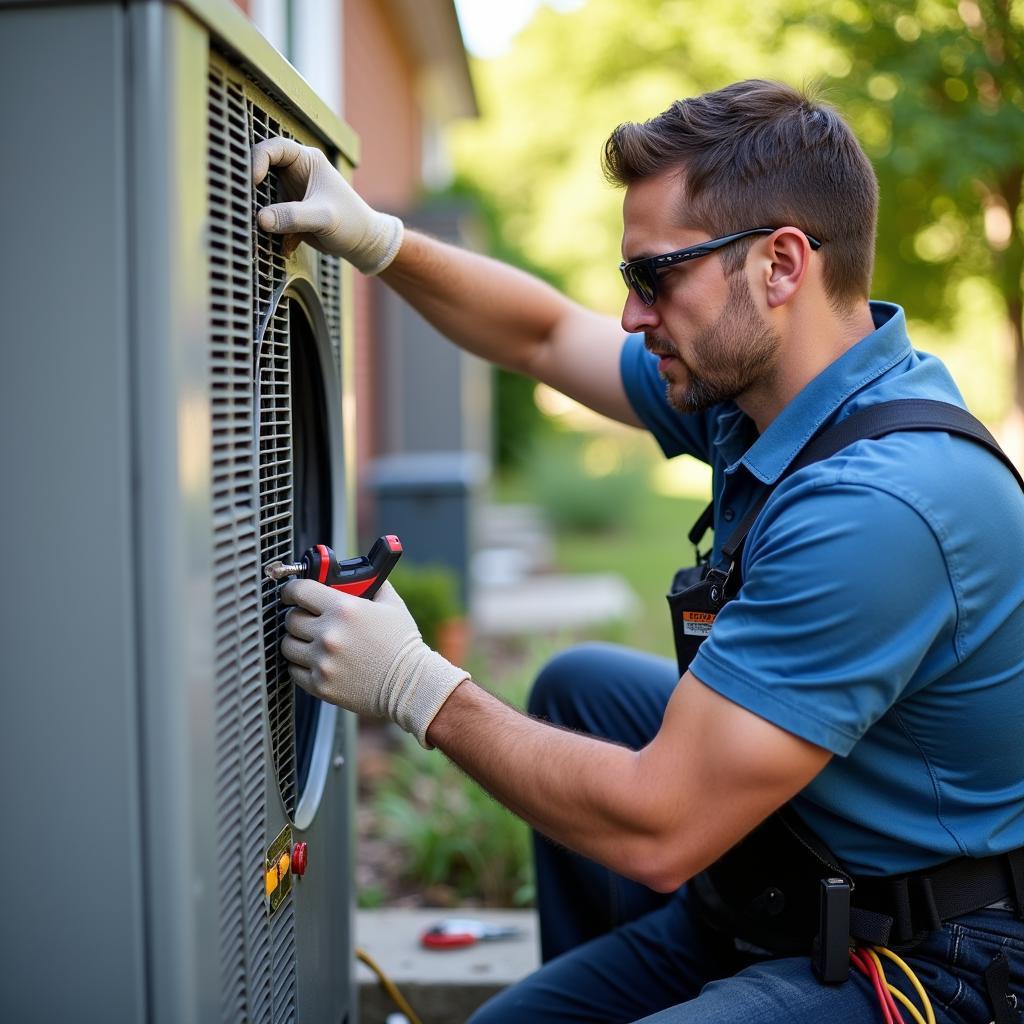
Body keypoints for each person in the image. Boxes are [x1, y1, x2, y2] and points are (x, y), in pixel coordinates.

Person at [252, 80, 1024, 1023]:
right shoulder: (770, 392)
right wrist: (377, 239)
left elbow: (661, 826)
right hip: (795, 868)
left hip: (933, 958)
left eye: (654, 278)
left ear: (781, 265)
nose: (629, 315)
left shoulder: (881, 508)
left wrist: (414, 684)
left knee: (637, 796)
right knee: (580, 689)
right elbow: (542, 336)